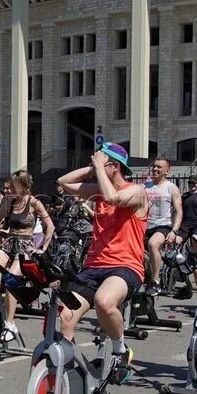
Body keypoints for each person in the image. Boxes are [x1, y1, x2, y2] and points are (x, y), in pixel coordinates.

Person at [55, 143, 146, 369]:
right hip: (94, 266)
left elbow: (113, 197)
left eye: (101, 165)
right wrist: (92, 168)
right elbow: (63, 183)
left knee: (104, 302)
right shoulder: (98, 190)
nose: (95, 168)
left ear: (115, 167)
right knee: (64, 315)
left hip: (125, 267)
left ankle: (121, 350)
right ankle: (75, 373)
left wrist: (98, 167)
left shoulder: (137, 191)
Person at [0, 169, 54, 343]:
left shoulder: (35, 203)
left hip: (25, 246)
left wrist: (42, 247)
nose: (11, 188)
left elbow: (49, 226)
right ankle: (3, 304)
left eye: (15, 184)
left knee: (11, 280)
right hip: (9, 243)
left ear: (24, 185)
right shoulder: (9, 202)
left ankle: (10, 323)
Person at [142, 157, 183, 295]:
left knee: (153, 244)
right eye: (154, 166)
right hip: (145, 226)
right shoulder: (144, 186)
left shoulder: (171, 188)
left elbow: (179, 212)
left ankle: (156, 280)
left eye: (159, 167)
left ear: (167, 171)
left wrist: (174, 231)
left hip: (163, 225)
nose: (155, 169)